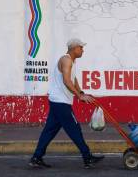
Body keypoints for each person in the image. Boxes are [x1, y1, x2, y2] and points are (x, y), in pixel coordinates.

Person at [30, 38, 105, 169]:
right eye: (81, 47)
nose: (83, 50)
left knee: (49, 131)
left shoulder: (72, 61)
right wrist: (79, 96)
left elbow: (73, 78)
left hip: (57, 101)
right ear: (74, 48)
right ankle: (87, 158)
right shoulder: (66, 60)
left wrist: (81, 92)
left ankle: (36, 157)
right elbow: (66, 80)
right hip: (61, 103)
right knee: (75, 129)